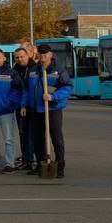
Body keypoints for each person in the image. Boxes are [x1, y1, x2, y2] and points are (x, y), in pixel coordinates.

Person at [25, 43, 71, 178]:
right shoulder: (34, 70)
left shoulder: (58, 70)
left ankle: (60, 167)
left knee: (56, 139)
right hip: (36, 110)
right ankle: (41, 164)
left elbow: (67, 87)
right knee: (37, 140)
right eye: (40, 53)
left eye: (45, 53)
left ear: (51, 54)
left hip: (52, 110)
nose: (43, 55)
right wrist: (25, 104)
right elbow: (27, 89)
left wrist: (53, 96)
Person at [14, 45, 36, 170]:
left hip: (32, 106)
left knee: (33, 135)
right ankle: (26, 159)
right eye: (17, 57)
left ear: (28, 55)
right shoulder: (15, 69)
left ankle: (34, 160)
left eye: (22, 57)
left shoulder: (34, 69)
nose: (20, 59)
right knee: (23, 133)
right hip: (19, 106)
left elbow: (27, 89)